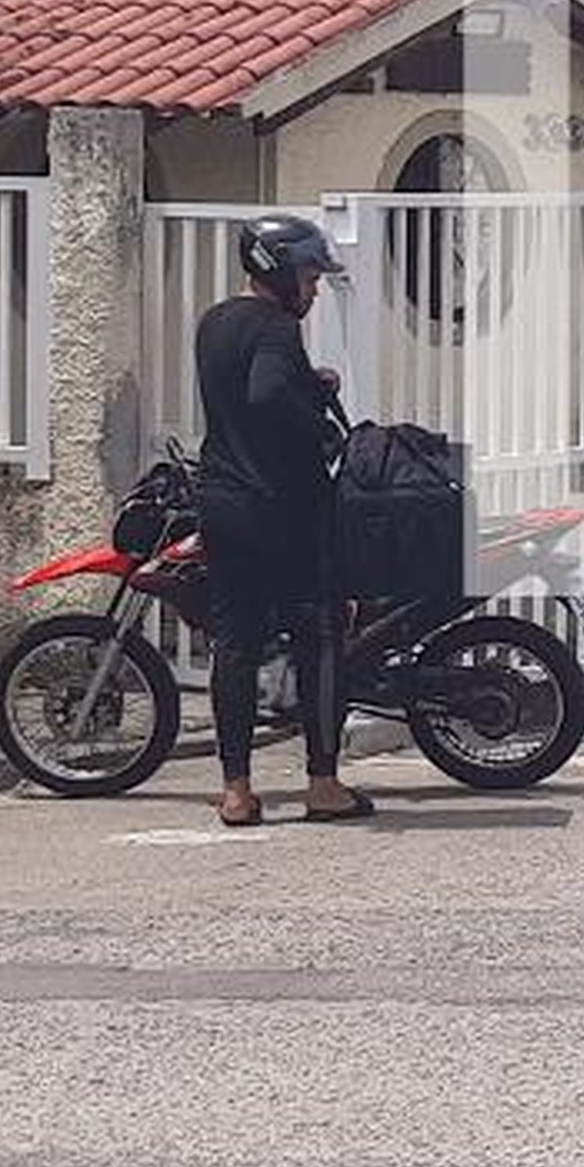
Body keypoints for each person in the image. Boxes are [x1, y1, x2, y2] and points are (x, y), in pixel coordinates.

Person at [194, 213, 367, 828]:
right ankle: (323, 783)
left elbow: (244, 394)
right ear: (278, 270)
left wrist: (309, 383)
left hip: (220, 500)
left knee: (234, 644)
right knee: (320, 636)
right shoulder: (274, 328)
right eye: (310, 276)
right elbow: (267, 395)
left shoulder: (215, 323)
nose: (314, 289)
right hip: (282, 509)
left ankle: (236, 792)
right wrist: (315, 426)